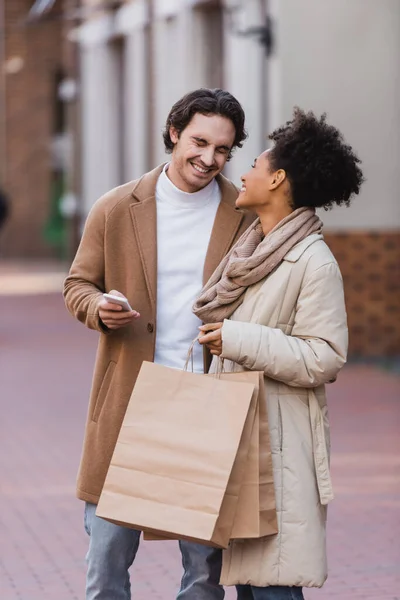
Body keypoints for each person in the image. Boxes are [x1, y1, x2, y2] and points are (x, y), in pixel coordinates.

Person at [63, 88, 255, 600]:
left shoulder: (245, 214)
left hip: (208, 402)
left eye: (222, 149)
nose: (209, 158)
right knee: (106, 560)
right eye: (199, 141)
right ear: (174, 133)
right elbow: (77, 284)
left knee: (204, 574)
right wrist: (98, 307)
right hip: (129, 399)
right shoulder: (116, 207)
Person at [196, 107, 364, 600]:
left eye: (252, 165)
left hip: (281, 448)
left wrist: (237, 338)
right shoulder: (252, 251)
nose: (242, 173)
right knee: (251, 586)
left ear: (278, 179)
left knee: (273, 587)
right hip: (241, 438)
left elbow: (324, 357)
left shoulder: (313, 259)